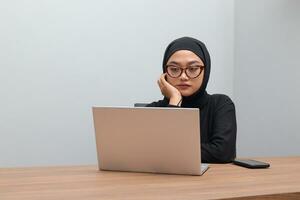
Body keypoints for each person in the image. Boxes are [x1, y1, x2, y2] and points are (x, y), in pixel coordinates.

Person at [147, 37, 237, 163]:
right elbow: (144, 153)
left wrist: (169, 151)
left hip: (212, 181)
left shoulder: (220, 105)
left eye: (193, 69)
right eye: (174, 69)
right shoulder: (151, 111)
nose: (183, 76)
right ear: (164, 73)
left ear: (205, 71)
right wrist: (175, 100)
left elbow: (222, 152)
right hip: (160, 181)